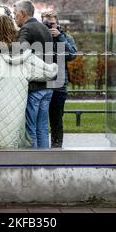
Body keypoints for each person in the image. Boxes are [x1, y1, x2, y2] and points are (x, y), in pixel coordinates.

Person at [0, 15, 58, 149]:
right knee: (24, 134)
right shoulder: (25, 56)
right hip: (14, 113)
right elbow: (49, 72)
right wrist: (55, 66)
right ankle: (39, 165)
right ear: (14, 29)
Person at [13, 0, 54, 149]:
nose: (14, 17)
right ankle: (44, 164)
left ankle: (33, 164)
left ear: (22, 13)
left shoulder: (26, 29)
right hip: (48, 85)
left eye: (15, 14)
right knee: (42, 127)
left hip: (34, 87)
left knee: (30, 129)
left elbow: (19, 53)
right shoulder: (44, 28)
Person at [41, 11, 77, 148]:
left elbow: (72, 54)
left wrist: (60, 37)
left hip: (59, 82)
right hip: (42, 81)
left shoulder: (66, 37)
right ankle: (41, 147)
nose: (50, 27)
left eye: (52, 24)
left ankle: (57, 144)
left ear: (58, 23)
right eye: (47, 24)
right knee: (41, 117)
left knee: (56, 117)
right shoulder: (39, 37)